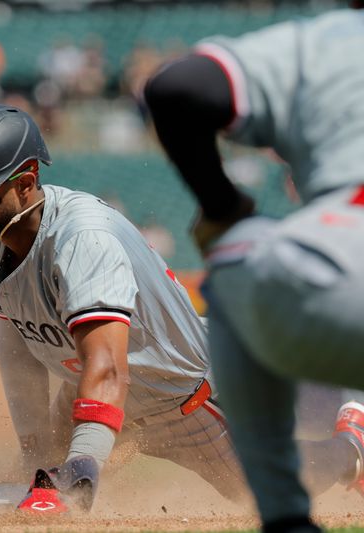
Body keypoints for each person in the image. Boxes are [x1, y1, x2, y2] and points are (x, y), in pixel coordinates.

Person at [0, 104, 363, 516]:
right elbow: (18, 352)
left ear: (25, 183)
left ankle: (351, 448)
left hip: (181, 393)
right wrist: (36, 453)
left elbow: (110, 367)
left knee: (253, 491)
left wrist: (78, 467)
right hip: (95, 385)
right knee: (39, 473)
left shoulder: (82, 239)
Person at [143, 6, 364, 532]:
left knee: (238, 254)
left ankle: (286, 514)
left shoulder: (326, 42)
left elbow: (177, 87)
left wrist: (222, 210)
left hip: (342, 263)